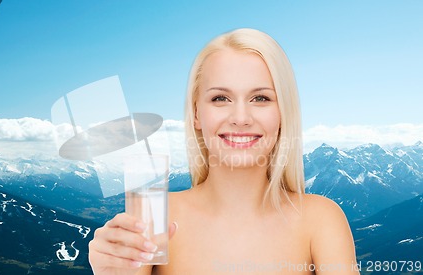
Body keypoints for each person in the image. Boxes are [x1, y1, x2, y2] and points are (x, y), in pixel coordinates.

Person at [88, 28, 358, 275]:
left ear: (283, 112)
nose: (240, 118)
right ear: (196, 113)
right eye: (220, 98)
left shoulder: (320, 220)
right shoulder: (154, 217)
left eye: (260, 98)